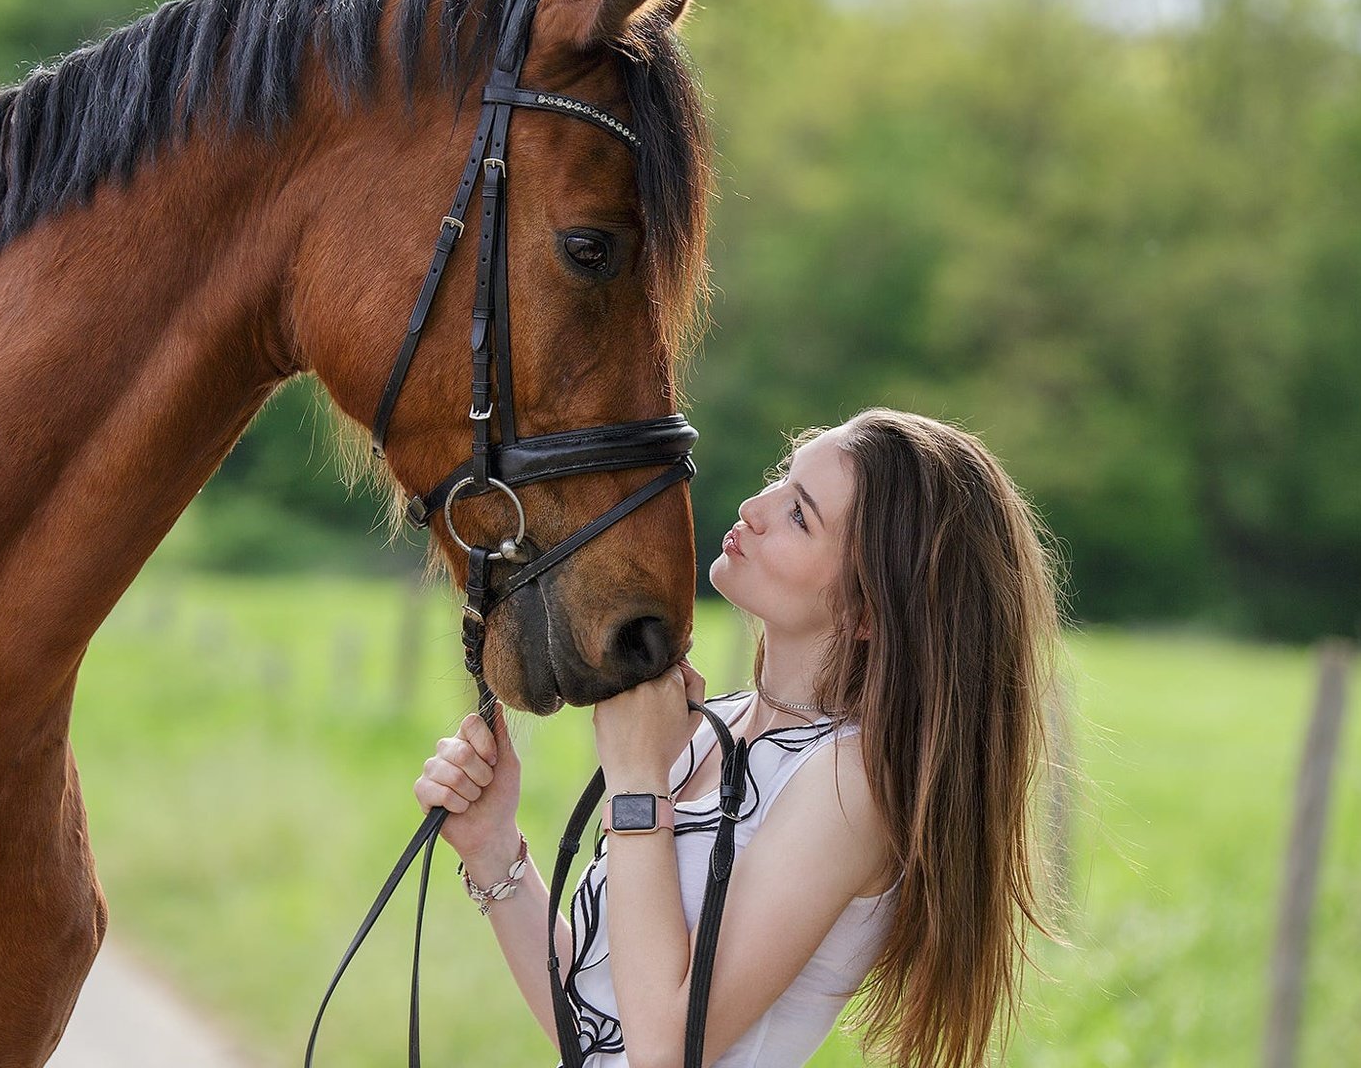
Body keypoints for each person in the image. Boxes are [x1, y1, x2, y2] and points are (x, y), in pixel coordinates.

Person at [415, 407, 1064, 1067]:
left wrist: (637, 780)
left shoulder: (848, 784)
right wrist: (495, 849)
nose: (756, 506)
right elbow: (600, 1029)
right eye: (784, 481)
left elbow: (666, 1052)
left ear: (866, 610)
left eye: (800, 516)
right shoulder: (709, 730)